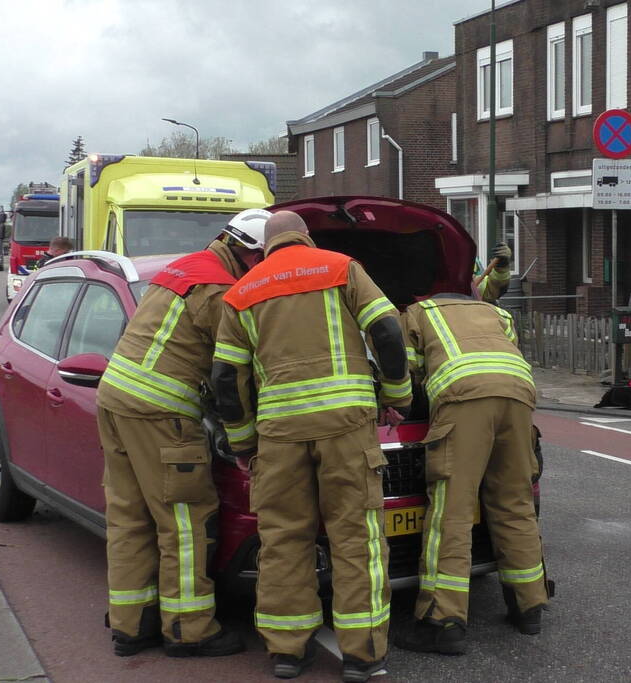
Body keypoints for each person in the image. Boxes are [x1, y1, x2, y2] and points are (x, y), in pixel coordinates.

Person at [212, 211, 410, 682]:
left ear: (265, 247)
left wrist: (243, 444)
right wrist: (396, 395)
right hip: (345, 426)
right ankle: (362, 655)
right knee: (356, 537)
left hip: (279, 434)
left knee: (283, 540)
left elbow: (225, 378)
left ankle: (287, 650)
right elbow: (386, 331)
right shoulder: (341, 267)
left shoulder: (242, 293)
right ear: (307, 237)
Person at [95, 208, 271, 658]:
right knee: (187, 520)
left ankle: (132, 625)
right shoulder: (219, 289)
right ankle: (189, 629)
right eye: (264, 260)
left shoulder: (184, 267)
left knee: (130, 516)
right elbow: (233, 370)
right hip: (162, 413)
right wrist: (244, 435)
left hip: (116, 399)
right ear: (247, 253)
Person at [394, 290, 549, 655]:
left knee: (452, 513)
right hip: (518, 397)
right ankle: (529, 607)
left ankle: (442, 622)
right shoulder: (497, 313)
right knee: (515, 503)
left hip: (464, 401)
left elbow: (405, 376)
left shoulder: (417, 313)